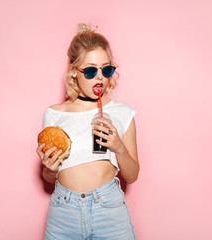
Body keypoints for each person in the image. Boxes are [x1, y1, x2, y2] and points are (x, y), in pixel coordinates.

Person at [36, 23, 139, 240]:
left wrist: (118, 147)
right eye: (91, 70)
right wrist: (49, 168)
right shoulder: (54, 114)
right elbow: (49, 177)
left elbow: (132, 175)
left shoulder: (122, 113)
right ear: (74, 72)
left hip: (109, 209)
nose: (100, 77)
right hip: (63, 211)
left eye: (107, 69)